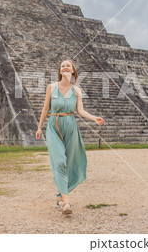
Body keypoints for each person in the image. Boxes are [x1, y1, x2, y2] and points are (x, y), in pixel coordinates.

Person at [36, 60, 105, 215]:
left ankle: (60, 197)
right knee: (59, 161)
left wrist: (94, 118)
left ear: (73, 71)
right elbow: (46, 108)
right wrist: (39, 127)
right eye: (62, 66)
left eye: (68, 65)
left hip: (71, 127)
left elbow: (80, 111)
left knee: (70, 162)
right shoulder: (51, 87)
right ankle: (66, 203)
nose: (65, 67)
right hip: (54, 126)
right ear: (60, 71)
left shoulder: (77, 91)